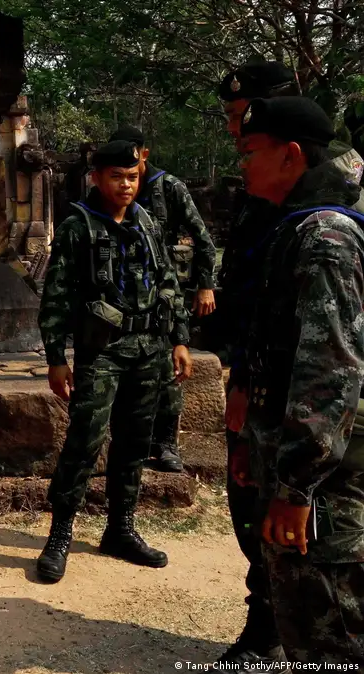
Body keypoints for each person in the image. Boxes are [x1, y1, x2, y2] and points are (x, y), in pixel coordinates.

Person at [237, 96, 364, 663]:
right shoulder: (295, 227)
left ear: (290, 155)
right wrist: (255, 442)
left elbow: (329, 371)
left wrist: (296, 487)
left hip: (326, 484)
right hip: (298, 469)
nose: (242, 165)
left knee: (330, 636)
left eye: (249, 152)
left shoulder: (324, 237)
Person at [36, 140, 193, 583]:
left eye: (133, 177)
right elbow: (57, 296)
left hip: (149, 349)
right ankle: (60, 533)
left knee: (135, 442)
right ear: (97, 178)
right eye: (116, 177)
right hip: (102, 352)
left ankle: (120, 529)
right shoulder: (78, 227)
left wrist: (180, 340)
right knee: (85, 441)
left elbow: (167, 281)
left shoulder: (146, 222)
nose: (126, 185)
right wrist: (56, 358)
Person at [212, 60, 302, 666]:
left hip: (307, 383)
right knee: (250, 504)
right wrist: (241, 373)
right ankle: (267, 622)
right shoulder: (261, 184)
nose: (233, 130)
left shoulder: (320, 191)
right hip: (260, 372)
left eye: (240, 116)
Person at [108, 126, 216, 474]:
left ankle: (166, 442)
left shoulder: (168, 187)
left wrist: (205, 285)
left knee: (169, 368)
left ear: (144, 154)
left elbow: (202, 239)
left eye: (132, 160)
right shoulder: (110, 188)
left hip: (164, 291)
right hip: (122, 293)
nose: (126, 176)